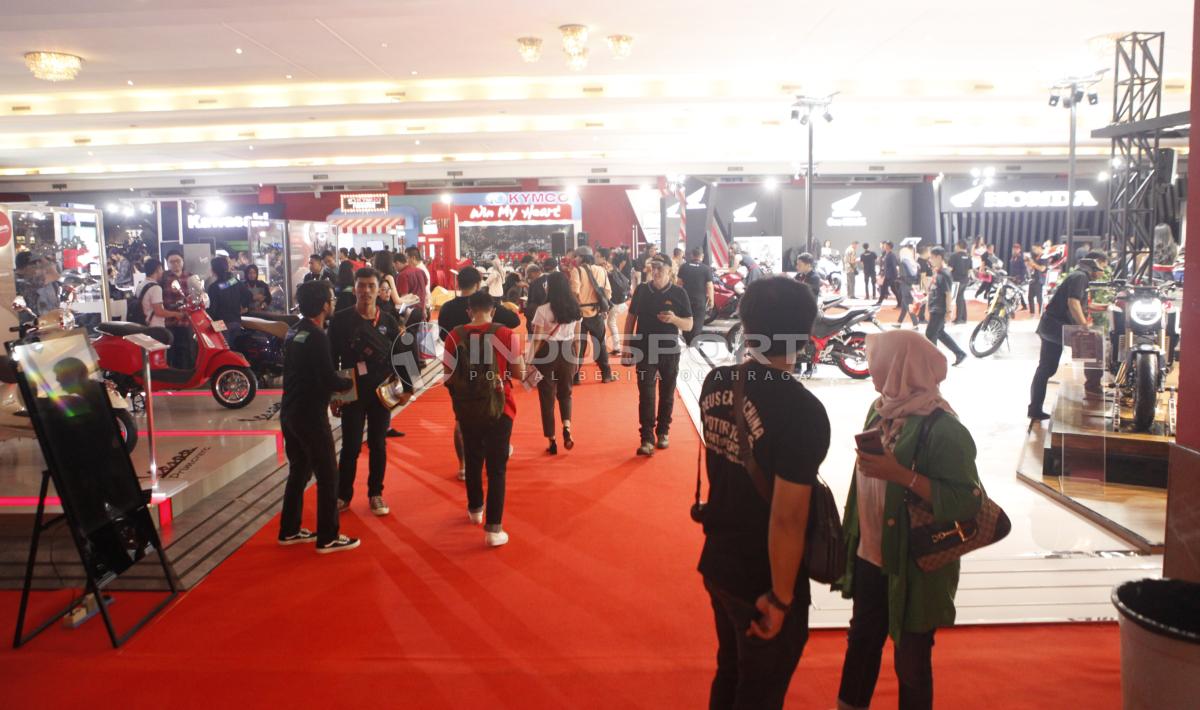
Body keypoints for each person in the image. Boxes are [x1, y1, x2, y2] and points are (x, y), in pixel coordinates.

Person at [836, 329, 984, 710]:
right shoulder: (881, 408)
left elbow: (967, 501)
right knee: (862, 641)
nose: (873, 370)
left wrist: (900, 474)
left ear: (902, 367)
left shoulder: (945, 429)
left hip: (916, 564)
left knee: (912, 659)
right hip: (872, 553)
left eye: (880, 362)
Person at [698, 276, 827, 710]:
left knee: (731, 670)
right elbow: (788, 517)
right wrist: (781, 597)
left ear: (745, 324)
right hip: (762, 577)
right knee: (759, 692)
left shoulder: (716, 381)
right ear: (805, 336)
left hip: (718, 559)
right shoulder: (801, 410)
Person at [277, 281, 360, 554]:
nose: (334, 302)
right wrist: (348, 383)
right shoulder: (316, 335)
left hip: (290, 411)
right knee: (327, 474)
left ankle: (289, 529)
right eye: (331, 298)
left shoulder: (294, 331)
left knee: (299, 469)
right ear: (324, 304)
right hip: (310, 414)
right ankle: (328, 536)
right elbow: (327, 377)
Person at [442, 291, 525, 547]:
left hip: (467, 409)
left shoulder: (454, 336)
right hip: (500, 407)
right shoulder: (505, 334)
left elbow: (447, 376)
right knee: (497, 468)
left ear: (469, 311)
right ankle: (493, 529)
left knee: (474, 459)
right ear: (493, 310)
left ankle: (475, 509)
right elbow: (519, 372)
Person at [329, 267, 406, 515]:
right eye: (361, 286)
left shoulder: (388, 320)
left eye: (371, 286)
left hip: (381, 391)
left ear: (379, 289)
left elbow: (400, 355)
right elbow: (333, 360)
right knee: (350, 446)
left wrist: (404, 386)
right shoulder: (341, 320)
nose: (366, 291)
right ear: (355, 288)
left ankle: (376, 493)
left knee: (378, 444)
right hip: (351, 390)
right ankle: (343, 495)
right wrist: (335, 394)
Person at [438, 266, 521, 480]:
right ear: (477, 285)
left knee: (461, 419)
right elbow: (515, 320)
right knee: (494, 410)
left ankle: (464, 465)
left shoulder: (447, 309)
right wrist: (496, 309)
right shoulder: (486, 307)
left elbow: (442, 335)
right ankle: (496, 452)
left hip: (461, 373)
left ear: (458, 284)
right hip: (492, 372)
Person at [621, 252, 693, 456]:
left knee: (667, 394)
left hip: (669, 351)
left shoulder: (679, 293)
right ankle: (646, 438)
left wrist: (674, 320)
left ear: (670, 270)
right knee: (646, 395)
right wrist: (627, 346)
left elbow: (689, 324)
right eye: (653, 267)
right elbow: (631, 318)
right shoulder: (642, 290)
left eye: (660, 267)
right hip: (644, 350)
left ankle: (663, 432)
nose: (656, 270)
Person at [1027, 252, 1108, 421]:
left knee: (1046, 368)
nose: (1103, 272)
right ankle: (1093, 388)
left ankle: (1034, 408)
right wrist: (1084, 326)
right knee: (1093, 341)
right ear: (1096, 263)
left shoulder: (1078, 275)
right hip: (1057, 327)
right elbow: (1073, 303)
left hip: (1050, 326)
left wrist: (1103, 306)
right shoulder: (1081, 277)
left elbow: (1080, 302)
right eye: (1104, 266)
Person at [527, 271, 581, 455]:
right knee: (566, 394)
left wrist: (528, 360)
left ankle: (552, 440)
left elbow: (537, 338)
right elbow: (578, 337)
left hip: (547, 353)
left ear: (550, 287)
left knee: (547, 397)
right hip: (568, 351)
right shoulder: (575, 308)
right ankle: (567, 427)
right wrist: (577, 360)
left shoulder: (543, 310)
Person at [569, 246, 616, 384]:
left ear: (582, 257)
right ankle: (606, 375)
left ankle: (575, 377)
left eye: (576, 256)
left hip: (580, 314)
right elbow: (608, 293)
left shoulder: (576, 271)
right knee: (600, 344)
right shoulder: (601, 270)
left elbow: (574, 292)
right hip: (597, 313)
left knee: (579, 345)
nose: (574, 259)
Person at [924, 247, 967, 366]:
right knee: (940, 333)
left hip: (939, 309)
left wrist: (948, 311)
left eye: (932, 257)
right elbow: (933, 288)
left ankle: (934, 361)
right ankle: (959, 353)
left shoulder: (945, 273)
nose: (930, 260)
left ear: (939, 257)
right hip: (935, 306)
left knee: (930, 334)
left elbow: (948, 294)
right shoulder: (938, 272)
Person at [205, 256, 251, 344]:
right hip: (236, 321)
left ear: (214, 270)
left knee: (223, 350)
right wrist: (243, 306)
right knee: (235, 350)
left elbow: (212, 309)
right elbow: (248, 295)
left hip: (221, 323)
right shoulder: (233, 281)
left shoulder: (214, 287)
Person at [162, 250, 194, 369]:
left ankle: (188, 376)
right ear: (167, 263)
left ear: (183, 261)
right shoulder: (163, 279)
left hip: (188, 321)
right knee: (172, 350)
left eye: (178, 261)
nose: (175, 264)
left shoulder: (191, 277)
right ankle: (174, 377)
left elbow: (198, 296)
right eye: (171, 262)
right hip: (170, 321)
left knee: (188, 348)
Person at [676, 247, 714, 345]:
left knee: (686, 318)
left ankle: (686, 339)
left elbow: (679, 283)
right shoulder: (706, 268)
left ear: (692, 255)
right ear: (702, 256)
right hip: (699, 300)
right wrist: (711, 300)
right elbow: (709, 286)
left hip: (685, 299)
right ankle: (694, 341)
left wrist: (677, 297)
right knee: (698, 320)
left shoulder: (684, 267)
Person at [140, 259, 183, 328]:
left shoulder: (141, 284)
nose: (162, 272)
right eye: (161, 269)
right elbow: (159, 312)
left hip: (144, 323)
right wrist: (176, 314)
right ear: (158, 269)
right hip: (155, 326)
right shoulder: (156, 288)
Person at [948, 241, 972, 324]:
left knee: (958, 299)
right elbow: (970, 270)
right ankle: (963, 318)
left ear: (958, 246)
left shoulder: (954, 256)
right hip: (965, 280)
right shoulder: (968, 256)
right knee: (961, 298)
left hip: (956, 280)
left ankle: (959, 318)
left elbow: (950, 268)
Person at [895, 246, 918, 327]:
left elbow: (903, 276)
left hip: (905, 286)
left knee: (908, 305)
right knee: (904, 305)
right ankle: (899, 322)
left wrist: (898, 278)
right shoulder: (912, 262)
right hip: (912, 285)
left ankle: (915, 324)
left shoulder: (903, 262)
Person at [1025, 243, 1047, 315]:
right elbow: (1032, 268)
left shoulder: (1044, 257)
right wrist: (1029, 264)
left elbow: (1042, 269)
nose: (1034, 251)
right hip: (1033, 278)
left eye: (1035, 249)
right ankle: (1032, 313)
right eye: (1033, 249)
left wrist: (1034, 264)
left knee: (1039, 298)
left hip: (1039, 280)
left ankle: (1041, 313)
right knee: (1030, 297)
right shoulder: (1035, 257)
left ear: (1039, 248)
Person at [875, 242, 897, 307]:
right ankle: (879, 302)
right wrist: (882, 272)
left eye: (885, 245)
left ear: (889, 246)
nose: (884, 246)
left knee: (891, 289)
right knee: (887, 289)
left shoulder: (891, 255)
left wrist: (895, 275)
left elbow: (893, 265)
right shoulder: (886, 254)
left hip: (890, 276)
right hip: (886, 275)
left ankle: (879, 302)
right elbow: (884, 265)